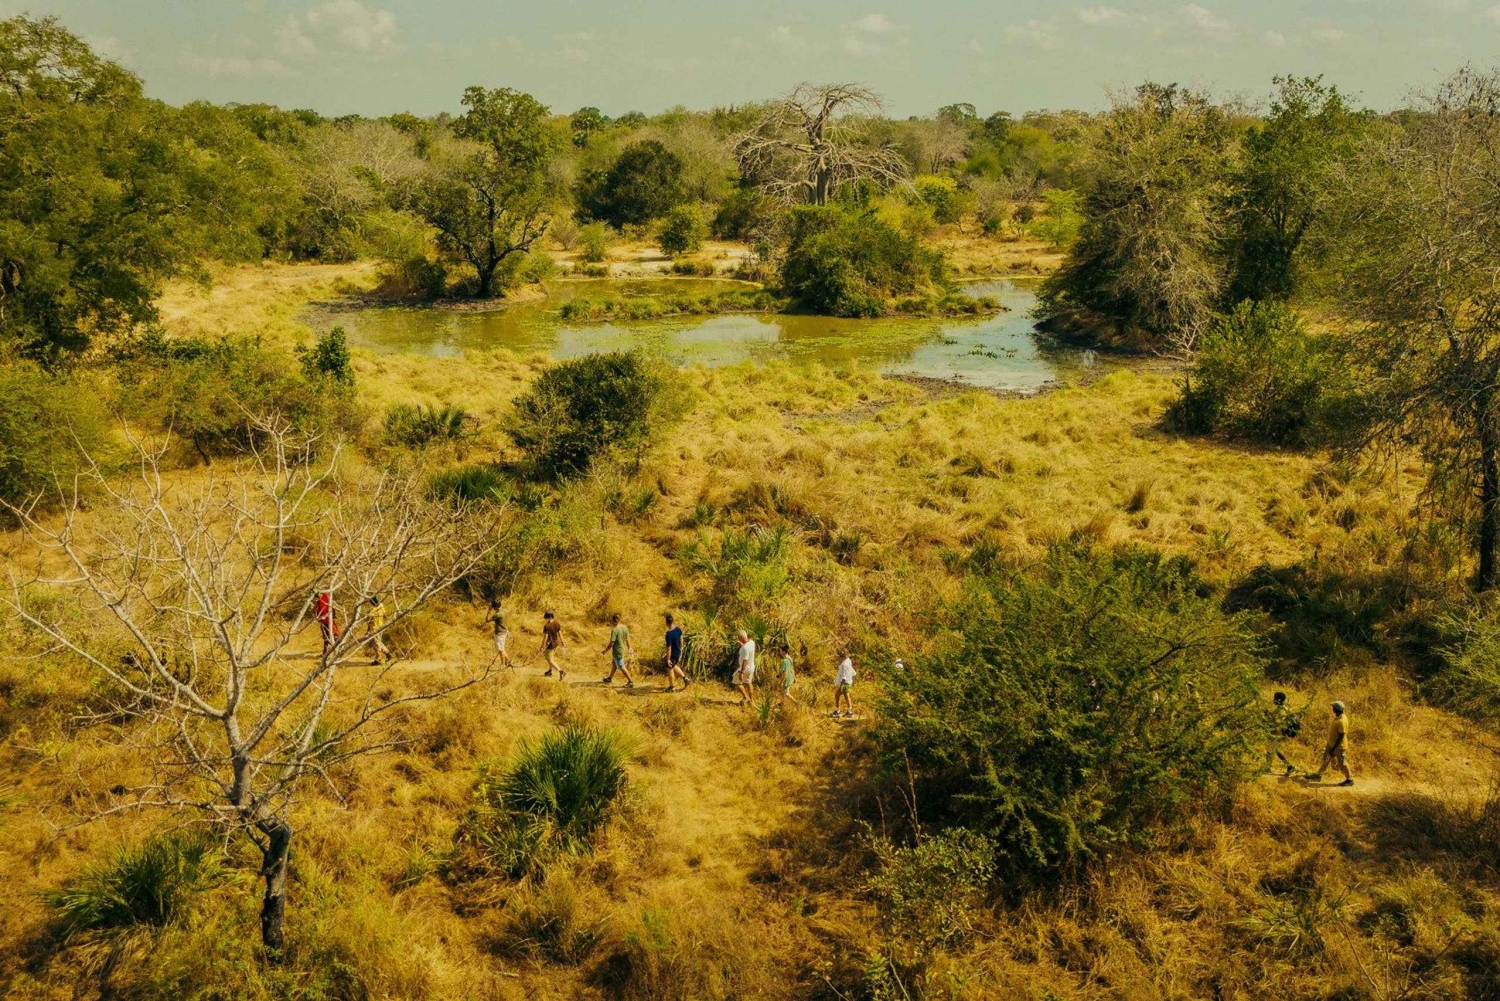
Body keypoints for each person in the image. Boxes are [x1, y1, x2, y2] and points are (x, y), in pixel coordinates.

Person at [1309, 701, 1354, 787]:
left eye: (1333, 707)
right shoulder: (1338, 717)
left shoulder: (1342, 721)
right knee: (1326, 759)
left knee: (1342, 763)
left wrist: (1333, 748)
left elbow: (1341, 737)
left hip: (1339, 747)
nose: (1332, 709)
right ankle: (1318, 775)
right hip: (1332, 744)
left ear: (1336, 709)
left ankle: (1350, 779)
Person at [1265, 691, 1299, 775]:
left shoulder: (1281, 710)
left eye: (1275, 698)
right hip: (1276, 733)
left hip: (1277, 733)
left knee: (1272, 750)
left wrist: (1268, 717)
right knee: (1273, 750)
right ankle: (1269, 767)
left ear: (1278, 700)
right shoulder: (1283, 708)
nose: (1273, 700)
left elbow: (1278, 722)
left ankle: (1289, 766)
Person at [601, 613, 636, 688]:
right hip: (622, 649)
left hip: (617, 651)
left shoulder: (614, 630)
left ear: (613, 621)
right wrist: (629, 647)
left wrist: (605, 650)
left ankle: (630, 682)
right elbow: (627, 638)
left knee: (621, 666)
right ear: (620, 620)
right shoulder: (624, 627)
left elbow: (612, 643)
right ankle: (609, 678)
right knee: (614, 664)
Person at [662, 613, 686, 693]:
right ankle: (685, 678)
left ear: (666, 623)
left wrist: (668, 659)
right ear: (673, 621)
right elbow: (681, 640)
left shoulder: (668, 634)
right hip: (678, 651)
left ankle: (672, 687)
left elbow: (669, 648)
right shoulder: (678, 629)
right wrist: (681, 649)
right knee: (674, 665)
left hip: (673, 653)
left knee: (670, 668)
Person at [733, 629, 756, 707]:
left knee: (737, 683)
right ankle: (752, 700)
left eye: (738, 638)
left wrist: (741, 672)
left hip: (744, 669)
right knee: (749, 683)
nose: (738, 639)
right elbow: (747, 650)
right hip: (751, 667)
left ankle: (746, 697)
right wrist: (742, 645)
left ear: (741, 638)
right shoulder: (752, 642)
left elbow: (745, 660)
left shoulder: (744, 648)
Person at [540, 610, 565, 682]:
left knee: (550, 659)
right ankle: (549, 671)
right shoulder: (557, 623)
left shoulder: (546, 626)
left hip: (549, 645)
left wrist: (542, 646)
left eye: (546, 617)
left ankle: (561, 671)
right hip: (555, 643)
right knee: (551, 658)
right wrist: (562, 641)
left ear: (549, 617)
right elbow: (560, 633)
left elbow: (545, 637)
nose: (546, 619)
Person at [487, 600, 512, 669]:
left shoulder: (497, 614)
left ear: (496, 607)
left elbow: (487, 620)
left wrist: (489, 611)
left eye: (493, 607)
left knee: (500, 649)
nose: (493, 608)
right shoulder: (504, 611)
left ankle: (502, 664)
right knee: (502, 648)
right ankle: (508, 661)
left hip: (499, 633)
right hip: (504, 632)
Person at [366, 594, 390, 665]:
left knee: (376, 643)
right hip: (381, 627)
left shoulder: (372, 611)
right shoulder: (381, 606)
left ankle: (382, 657)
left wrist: (368, 631)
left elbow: (369, 622)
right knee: (378, 642)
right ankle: (384, 655)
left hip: (374, 629)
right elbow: (385, 615)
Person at [315, 590, 340, 657]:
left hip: (329, 620)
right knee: (326, 636)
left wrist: (333, 614)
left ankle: (337, 650)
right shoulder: (319, 601)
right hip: (324, 621)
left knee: (334, 635)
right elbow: (318, 611)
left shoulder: (325, 596)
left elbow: (330, 605)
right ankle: (325, 652)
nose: (318, 596)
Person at [832, 651, 856, 718]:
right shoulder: (848, 660)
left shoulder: (844, 665)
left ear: (842, 657)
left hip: (845, 683)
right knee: (846, 696)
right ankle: (849, 712)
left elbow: (844, 677)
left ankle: (837, 711)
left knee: (837, 695)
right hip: (849, 682)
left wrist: (841, 686)